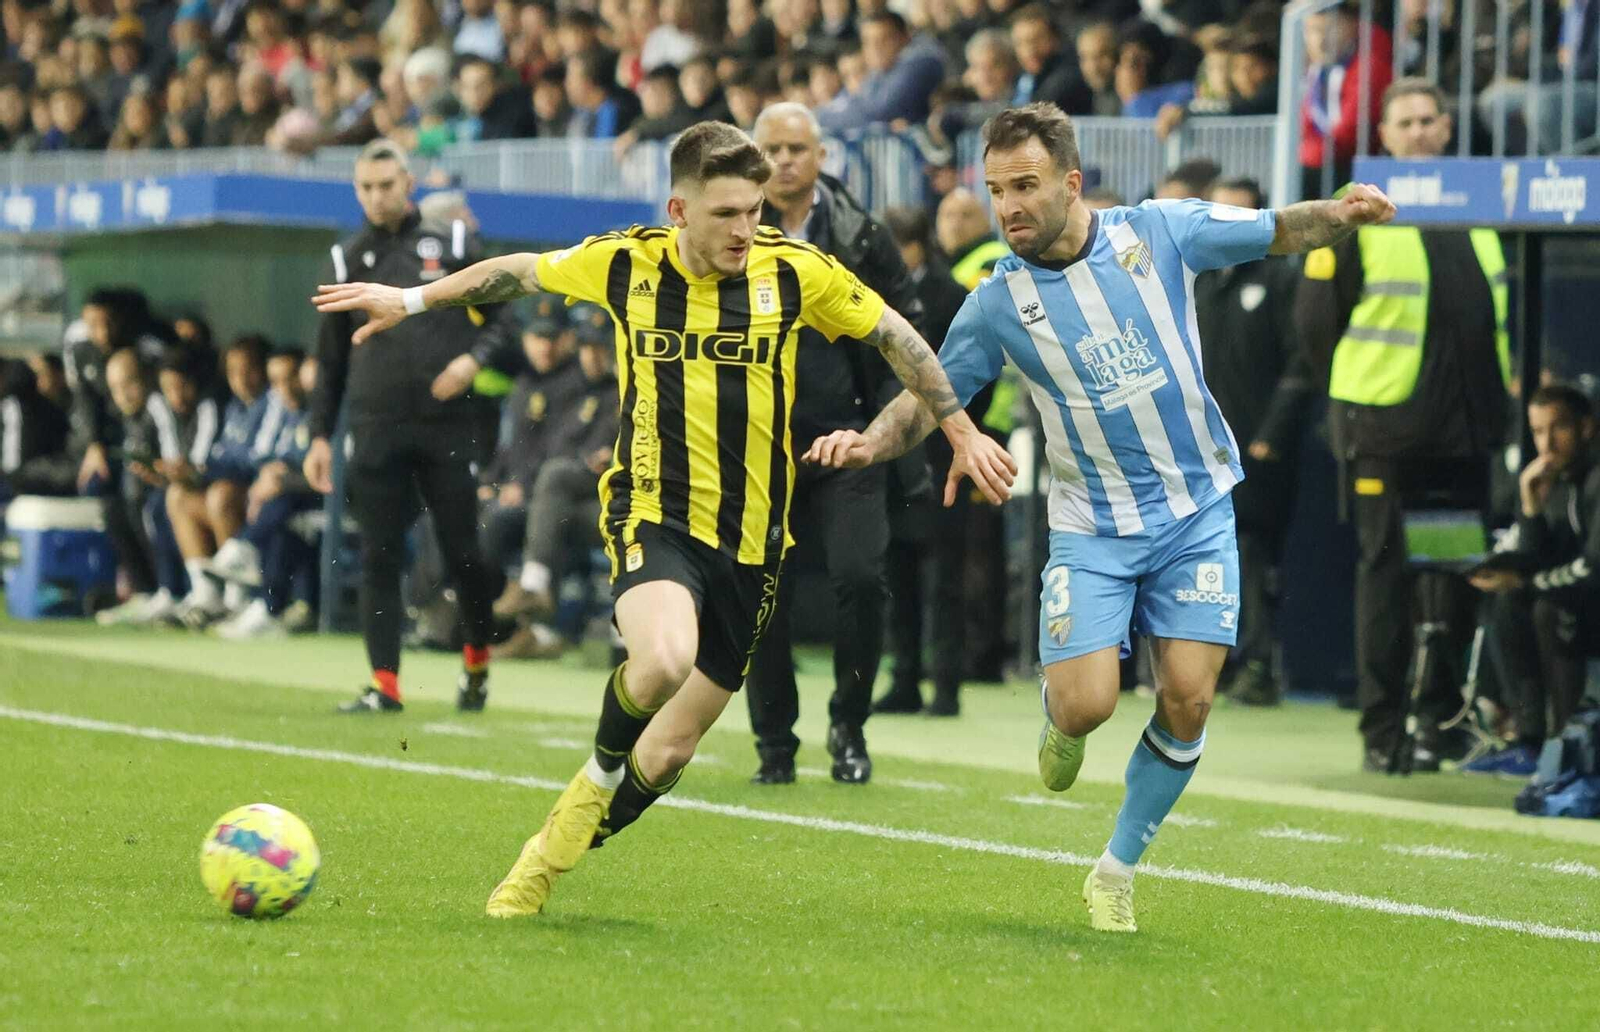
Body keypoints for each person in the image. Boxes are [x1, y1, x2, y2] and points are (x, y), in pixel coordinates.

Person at [312, 119, 1016, 919]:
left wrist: (959, 429)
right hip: (655, 512)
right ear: (679, 209)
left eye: (754, 210)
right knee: (662, 658)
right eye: (726, 214)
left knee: (672, 748)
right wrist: (409, 298)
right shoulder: (627, 261)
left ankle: (554, 847)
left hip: (754, 541)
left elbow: (897, 336)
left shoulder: (795, 272)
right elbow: (519, 272)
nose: (746, 229)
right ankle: (584, 800)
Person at [806, 102, 1395, 933]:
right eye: (997, 188)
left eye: (1026, 186)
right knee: (1088, 705)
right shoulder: (996, 301)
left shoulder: (1160, 232)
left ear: (1071, 183)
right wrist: (868, 446)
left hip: (1195, 510)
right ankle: (1063, 718)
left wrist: (1340, 214)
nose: (1007, 205)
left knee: (1189, 697)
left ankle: (1115, 870)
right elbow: (932, 393)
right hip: (1092, 525)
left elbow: (1277, 230)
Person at [1292, 79, 1512, 773]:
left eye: (1430, 120)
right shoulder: (1356, 208)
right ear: (1382, 135)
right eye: (1405, 121)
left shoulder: (1479, 209)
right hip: (1386, 433)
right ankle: (1383, 732)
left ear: (1447, 130)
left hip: (1462, 437)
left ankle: (1440, 722)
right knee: (1387, 575)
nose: (1419, 131)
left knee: (1449, 574)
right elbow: (1315, 323)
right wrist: (1357, 402)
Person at [740, 102, 923, 785]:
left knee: (860, 578)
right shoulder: (725, 232)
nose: (785, 160)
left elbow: (909, 337)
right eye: (773, 149)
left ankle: (849, 723)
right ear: (754, 157)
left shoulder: (864, 237)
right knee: (762, 592)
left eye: (797, 148)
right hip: (760, 445)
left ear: (820, 156)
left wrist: (876, 431)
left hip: (848, 437)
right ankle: (774, 742)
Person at [305, 138, 509, 715]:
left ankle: (475, 663)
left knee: (464, 551)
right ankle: (385, 686)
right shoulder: (347, 261)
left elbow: (504, 316)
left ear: (409, 184)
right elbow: (330, 361)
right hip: (375, 427)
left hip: (447, 425)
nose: (377, 197)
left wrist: (472, 360)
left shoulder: (455, 244)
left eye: (387, 185)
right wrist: (319, 434)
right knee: (378, 555)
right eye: (366, 188)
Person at [1191, 177, 1311, 706]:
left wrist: (1270, 437)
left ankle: (1260, 664)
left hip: (1259, 452)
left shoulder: (1282, 280)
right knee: (1206, 558)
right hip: (1202, 451)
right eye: (1220, 212)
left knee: (1251, 551)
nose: (1228, 223)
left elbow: (1301, 364)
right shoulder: (1200, 282)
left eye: (1240, 213)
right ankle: (1220, 661)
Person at [875, 205, 988, 716]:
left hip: (944, 455)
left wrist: (964, 438)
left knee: (945, 576)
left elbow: (974, 374)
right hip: (896, 458)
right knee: (897, 569)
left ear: (916, 245)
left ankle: (946, 685)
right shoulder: (880, 297)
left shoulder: (950, 296)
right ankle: (903, 679)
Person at [1469, 384, 1600, 757]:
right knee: (1509, 601)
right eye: (1538, 431)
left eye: (1557, 428)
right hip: (1585, 600)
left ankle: (1565, 746)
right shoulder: (1557, 479)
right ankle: (1528, 740)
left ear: (1586, 428)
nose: (1547, 444)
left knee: (1548, 607)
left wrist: (1529, 583)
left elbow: (1594, 568)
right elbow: (1535, 558)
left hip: (1589, 599)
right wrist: (1530, 507)